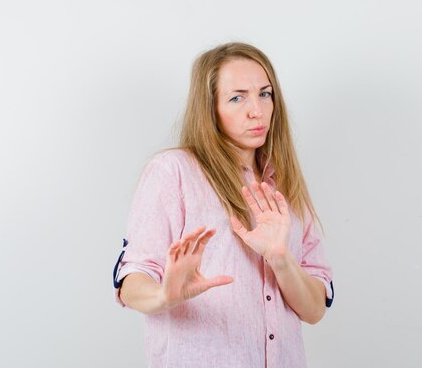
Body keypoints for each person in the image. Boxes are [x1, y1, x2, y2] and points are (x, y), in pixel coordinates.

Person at [113, 42, 334, 368]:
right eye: (237, 97)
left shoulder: (286, 186)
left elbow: (314, 310)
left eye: (265, 93)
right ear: (210, 108)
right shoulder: (174, 172)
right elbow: (132, 279)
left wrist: (280, 258)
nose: (256, 110)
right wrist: (164, 296)